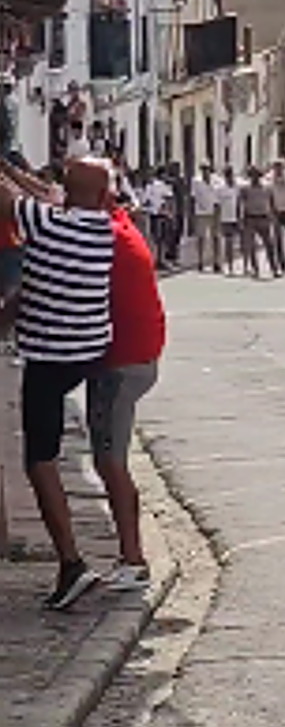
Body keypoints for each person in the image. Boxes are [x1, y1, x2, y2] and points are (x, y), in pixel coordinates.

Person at [0, 156, 114, 609]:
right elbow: (39, 197)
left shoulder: (47, 224)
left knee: (39, 459)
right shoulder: (101, 227)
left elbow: (12, 201)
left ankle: (71, 563)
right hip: (89, 352)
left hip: (50, 357)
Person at [85, 182, 166, 591]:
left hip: (121, 363)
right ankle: (129, 556)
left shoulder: (103, 237)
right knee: (109, 457)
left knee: (109, 460)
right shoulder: (119, 222)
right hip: (136, 357)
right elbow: (47, 196)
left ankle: (133, 559)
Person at [239, 166, 281, 278]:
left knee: (269, 245)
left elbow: (272, 202)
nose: (254, 178)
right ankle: (254, 269)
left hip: (263, 217)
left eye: (256, 175)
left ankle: (274, 268)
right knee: (252, 246)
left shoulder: (266, 187)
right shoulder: (245, 188)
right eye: (252, 175)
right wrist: (241, 218)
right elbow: (241, 203)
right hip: (250, 217)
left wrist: (274, 216)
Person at [191, 164, 220, 273]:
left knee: (216, 237)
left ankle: (216, 261)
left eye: (207, 169)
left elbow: (218, 196)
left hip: (214, 211)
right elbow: (193, 197)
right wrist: (192, 214)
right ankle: (200, 261)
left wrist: (218, 210)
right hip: (200, 212)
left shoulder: (216, 180)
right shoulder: (196, 181)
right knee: (201, 238)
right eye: (203, 169)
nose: (205, 171)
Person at [215, 167, 241, 275]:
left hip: (236, 218)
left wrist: (240, 217)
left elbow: (239, 203)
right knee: (227, 243)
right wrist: (217, 219)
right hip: (225, 219)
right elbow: (217, 205)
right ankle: (228, 265)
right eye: (228, 175)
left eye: (231, 174)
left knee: (236, 243)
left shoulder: (236, 187)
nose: (230, 177)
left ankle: (237, 264)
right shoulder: (220, 188)